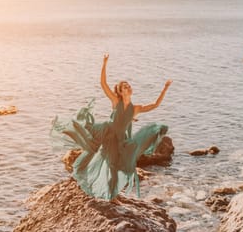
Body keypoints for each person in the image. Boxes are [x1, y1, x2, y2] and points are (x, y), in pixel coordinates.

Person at [52, 54, 172, 200]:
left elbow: (155, 105)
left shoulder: (135, 109)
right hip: (107, 133)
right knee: (106, 160)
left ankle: (110, 194)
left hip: (121, 139)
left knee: (115, 166)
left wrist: (165, 88)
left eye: (128, 85)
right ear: (120, 92)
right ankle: (105, 192)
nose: (128, 87)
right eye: (124, 87)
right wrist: (104, 63)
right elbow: (103, 84)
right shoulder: (116, 101)